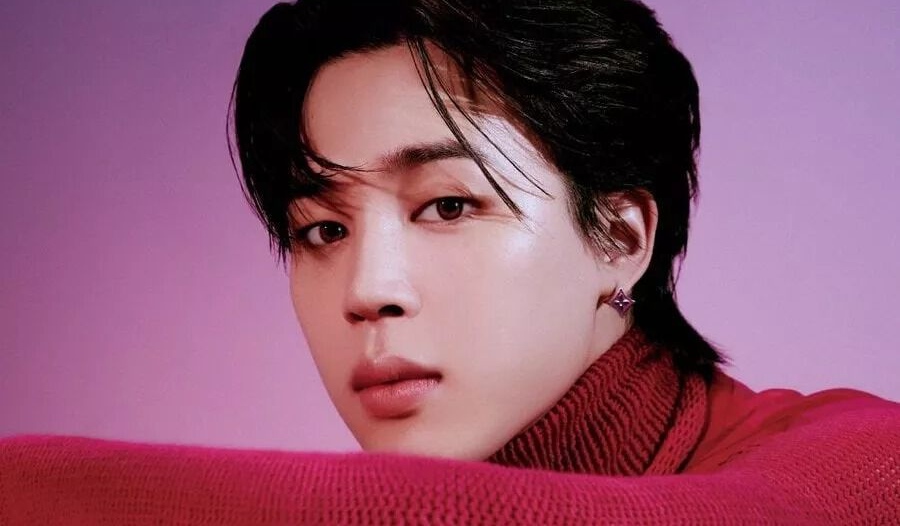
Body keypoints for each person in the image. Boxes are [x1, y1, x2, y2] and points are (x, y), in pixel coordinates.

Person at [1, 0, 898, 523]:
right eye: (322, 231)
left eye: (448, 205)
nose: (369, 291)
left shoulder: (865, 464)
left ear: (621, 238)